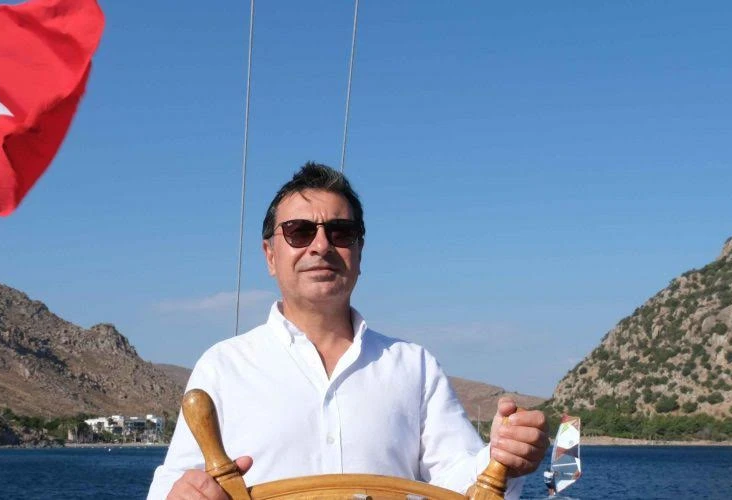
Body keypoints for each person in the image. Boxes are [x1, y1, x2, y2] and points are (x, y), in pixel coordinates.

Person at [147, 162, 548, 500]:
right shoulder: (223, 367)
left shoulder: (415, 366)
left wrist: (503, 455)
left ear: (358, 252)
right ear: (270, 255)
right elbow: (173, 484)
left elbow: (457, 483)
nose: (321, 246)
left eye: (340, 232)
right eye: (299, 231)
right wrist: (183, 494)